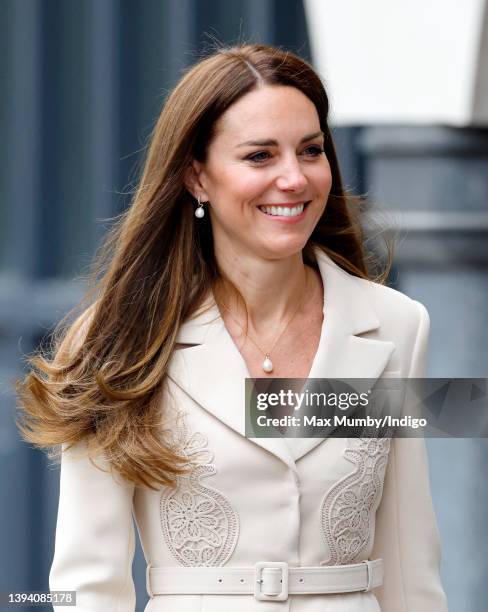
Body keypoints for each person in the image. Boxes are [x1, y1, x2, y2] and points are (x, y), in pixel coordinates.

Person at [16, 44, 448, 612]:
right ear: (197, 176)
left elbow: (410, 563)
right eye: (259, 156)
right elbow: (87, 583)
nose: (293, 178)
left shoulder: (397, 325)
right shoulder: (119, 340)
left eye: (311, 150)